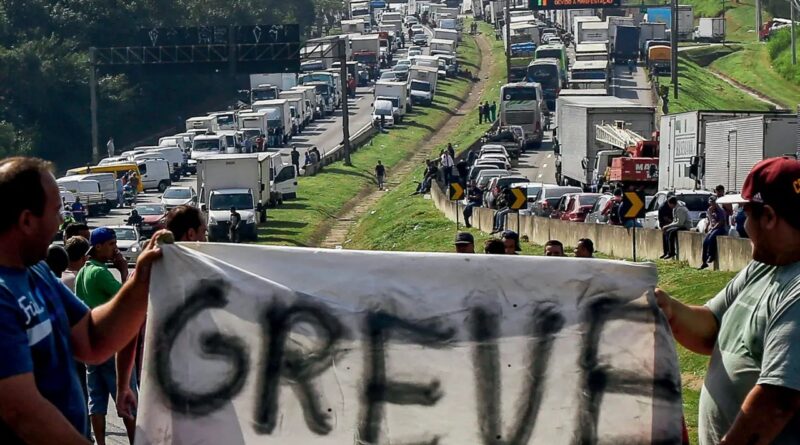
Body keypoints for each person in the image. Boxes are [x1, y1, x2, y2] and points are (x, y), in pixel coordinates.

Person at [0, 157, 159, 445]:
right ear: (26, 220)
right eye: (56, 211)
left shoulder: (36, 271)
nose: (62, 222)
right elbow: (22, 412)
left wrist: (142, 280)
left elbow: (93, 340)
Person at [655, 157, 800, 445]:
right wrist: (669, 309)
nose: (743, 225)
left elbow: (777, 402)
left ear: (769, 217)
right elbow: (712, 327)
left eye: (746, 213)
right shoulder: (766, 264)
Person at [75, 227, 138, 444]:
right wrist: (123, 270)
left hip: (92, 346)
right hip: (111, 345)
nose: (115, 249)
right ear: (98, 246)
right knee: (127, 396)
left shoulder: (83, 271)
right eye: (111, 244)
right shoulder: (100, 272)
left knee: (97, 400)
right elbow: (126, 298)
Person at [700, 195, 728, 270]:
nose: (711, 205)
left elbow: (721, 222)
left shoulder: (721, 211)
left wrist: (713, 227)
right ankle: (704, 262)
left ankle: (711, 255)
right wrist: (707, 226)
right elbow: (709, 220)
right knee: (705, 241)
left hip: (720, 228)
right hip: (712, 228)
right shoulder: (709, 210)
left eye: (713, 203)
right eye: (710, 203)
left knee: (712, 238)